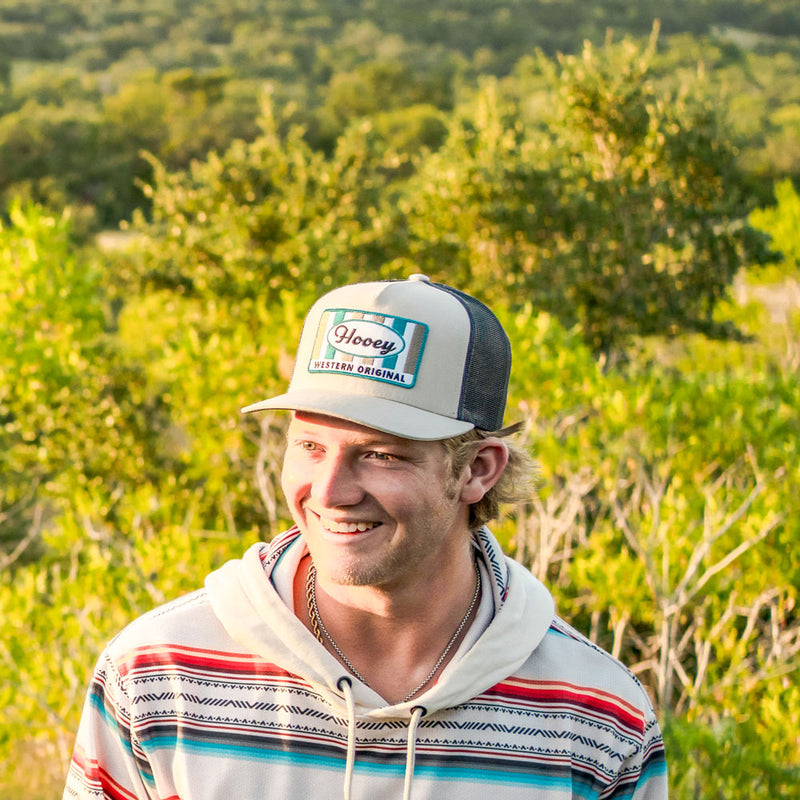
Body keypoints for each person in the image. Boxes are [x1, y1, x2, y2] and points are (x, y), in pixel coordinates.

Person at [65, 275, 668, 799]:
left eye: (380, 455)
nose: (329, 491)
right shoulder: (156, 675)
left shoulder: (597, 716)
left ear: (479, 469)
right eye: (309, 446)